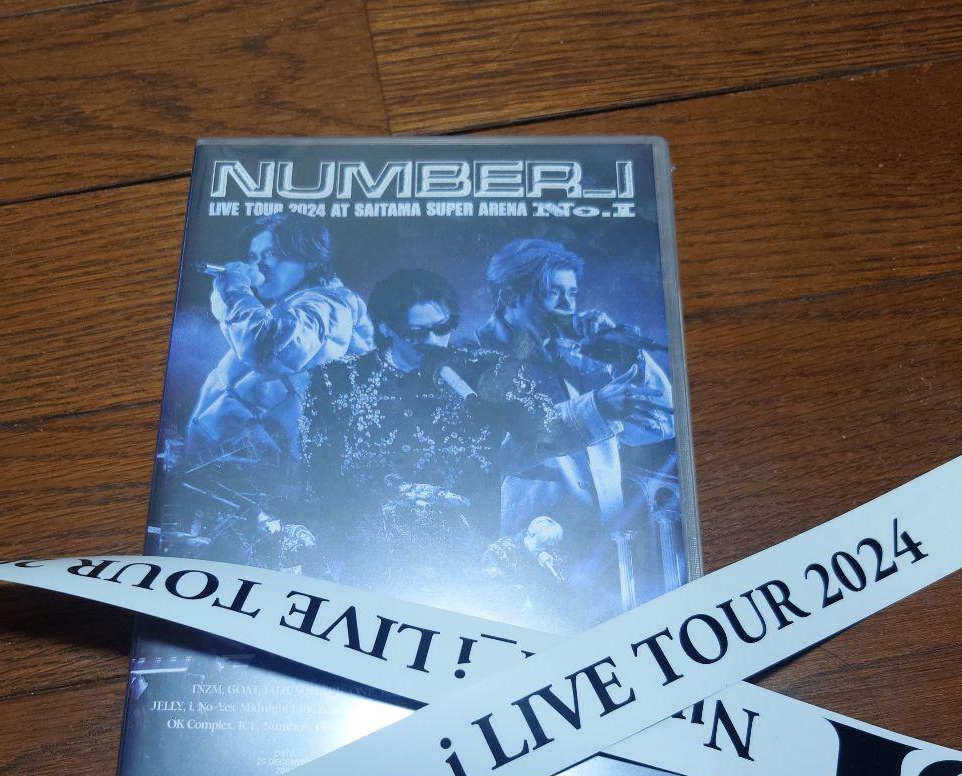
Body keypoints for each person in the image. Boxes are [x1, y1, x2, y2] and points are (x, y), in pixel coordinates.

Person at [475, 237, 674, 593]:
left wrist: (625, 356)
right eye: (553, 293)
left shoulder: (576, 356)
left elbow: (661, 424)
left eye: (573, 293)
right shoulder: (476, 358)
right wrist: (597, 407)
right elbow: (505, 446)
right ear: (509, 297)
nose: (569, 306)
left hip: (605, 541)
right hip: (533, 544)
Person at [297, 268, 504, 598]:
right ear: (385, 328)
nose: (434, 342)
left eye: (443, 328)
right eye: (415, 334)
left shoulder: (486, 372)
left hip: (467, 564)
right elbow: (319, 480)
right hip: (370, 563)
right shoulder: (335, 382)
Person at [185, 213, 373, 475]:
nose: (259, 266)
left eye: (271, 254)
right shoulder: (293, 310)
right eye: (253, 257)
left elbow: (267, 350)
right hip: (239, 474)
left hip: (270, 480)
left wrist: (235, 288)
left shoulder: (327, 306)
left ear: (311, 259)